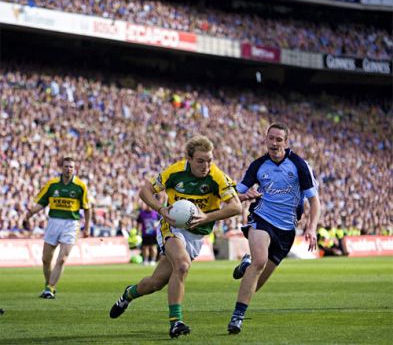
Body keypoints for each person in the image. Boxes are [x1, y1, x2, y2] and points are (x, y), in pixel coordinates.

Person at [109, 135, 242, 338]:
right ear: (189, 158)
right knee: (182, 265)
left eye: (209, 160)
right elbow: (145, 191)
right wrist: (161, 209)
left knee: (155, 283)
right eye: (200, 161)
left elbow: (236, 207)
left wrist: (207, 217)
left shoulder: (217, 176)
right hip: (172, 229)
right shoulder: (175, 171)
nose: (206, 165)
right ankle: (176, 322)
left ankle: (129, 294)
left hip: (196, 237)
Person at [227, 122, 321, 334]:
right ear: (266, 139)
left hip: (287, 229)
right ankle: (237, 318)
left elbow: (314, 202)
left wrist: (312, 227)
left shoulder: (299, 165)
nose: (275, 143)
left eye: (279, 139)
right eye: (271, 138)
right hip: (262, 218)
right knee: (259, 261)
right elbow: (234, 195)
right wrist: (243, 195)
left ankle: (246, 265)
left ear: (286, 142)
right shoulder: (258, 165)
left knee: (256, 282)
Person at [25, 157, 90, 299]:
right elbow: (42, 203)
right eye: (66, 166)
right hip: (53, 222)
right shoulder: (52, 184)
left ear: (74, 168)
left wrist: (87, 227)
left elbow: (87, 208)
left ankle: (50, 288)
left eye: (71, 167)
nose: (69, 169)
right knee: (45, 259)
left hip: (71, 224)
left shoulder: (80, 186)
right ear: (62, 167)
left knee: (62, 258)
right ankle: (48, 285)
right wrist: (29, 214)